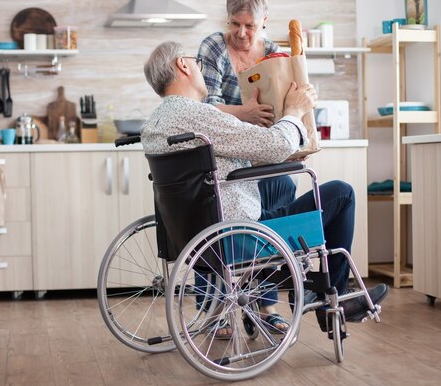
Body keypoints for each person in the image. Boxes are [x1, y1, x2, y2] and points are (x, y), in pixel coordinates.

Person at [141, 41, 388, 334]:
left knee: (278, 185)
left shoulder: (154, 124)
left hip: (194, 238)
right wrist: (295, 112)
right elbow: (274, 145)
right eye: (195, 63)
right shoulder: (199, 115)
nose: (199, 69)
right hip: (238, 238)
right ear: (183, 65)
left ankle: (312, 294)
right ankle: (330, 298)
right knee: (341, 193)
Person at [197, 0, 298, 237]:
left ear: (264, 21)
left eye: (249, 26)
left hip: (262, 154)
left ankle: (271, 266)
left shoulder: (274, 54)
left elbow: (285, 109)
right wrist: (245, 113)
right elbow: (205, 111)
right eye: (234, 23)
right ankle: (234, 262)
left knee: (284, 184)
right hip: (224, 159)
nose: (241, 33)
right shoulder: (214, 48)